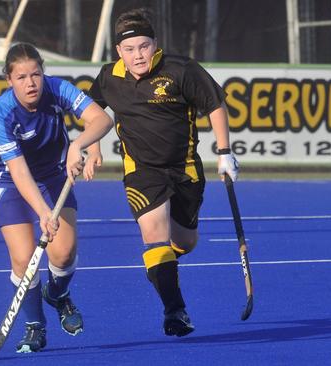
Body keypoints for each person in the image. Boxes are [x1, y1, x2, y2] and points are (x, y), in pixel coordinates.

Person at [88, 8, 240, 337]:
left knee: (184, 242)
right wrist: (92, 146)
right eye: (129, 49)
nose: (137, 55)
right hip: (141, 171)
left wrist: (225, 152)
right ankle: (175, 311)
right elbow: (92, 111)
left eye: (143, 46)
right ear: (118, 52)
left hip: (184, 169)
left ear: (154, 43)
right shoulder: (109, 76)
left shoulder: (180, 69)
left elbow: (215, 104)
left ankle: (162, 265)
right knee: (154, 236)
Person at [0, 43, 113, 353]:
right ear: (8, 79)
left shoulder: (58, 90)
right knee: (24, 257)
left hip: (53, 175)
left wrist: (80, 145)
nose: (30, 83)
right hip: (9, 182)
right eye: (21, 77)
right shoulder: (1, 114)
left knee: (63, 254)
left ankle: (57, 295)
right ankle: (35, 326)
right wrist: (43, 212)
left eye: (36, 74)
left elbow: (102, 120)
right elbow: (18, 171)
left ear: (44, 73)